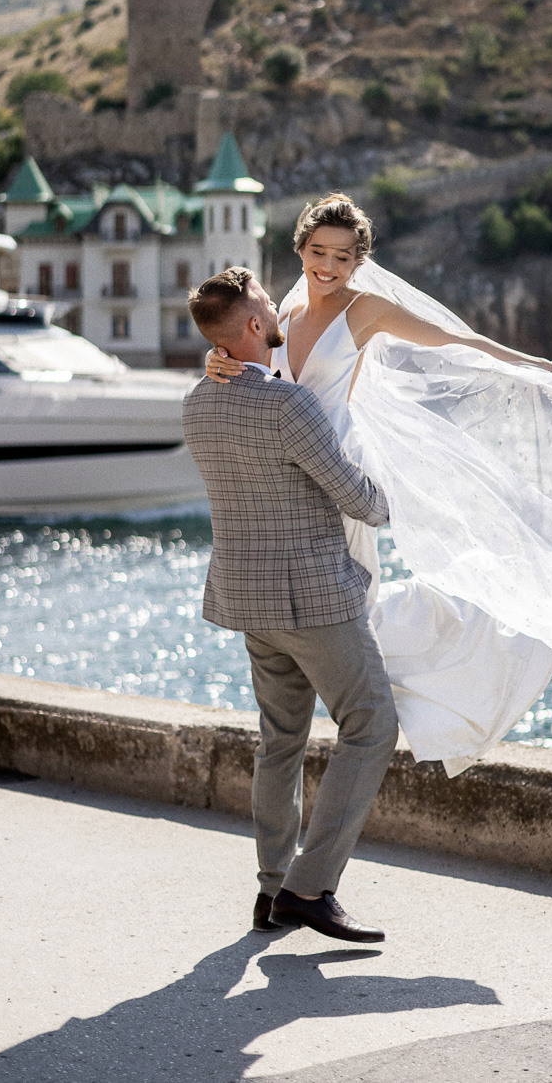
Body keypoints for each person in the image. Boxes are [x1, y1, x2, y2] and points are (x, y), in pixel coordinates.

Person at [205, 195, 552, 776]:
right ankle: (360, 698)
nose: (327, 266)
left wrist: (528, 364)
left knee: (352, 605)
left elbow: (453, 341)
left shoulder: (367, 309)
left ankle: (436, 695)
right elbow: (251, 354)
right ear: (301, 248)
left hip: (343, 475)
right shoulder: (286, 308)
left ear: (359, 261)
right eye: (318, 252)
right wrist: (216, 359)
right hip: (292, 476)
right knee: (335, 609)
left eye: (342, 257)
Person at [183, 267, 399, 944]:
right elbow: (360, 501)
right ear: (254, 325)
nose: (280, 307)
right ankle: (309, 887)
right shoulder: (290, 405)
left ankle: (271, 888)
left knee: (280, 743)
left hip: (249, 602)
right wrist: (392, 487)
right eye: (268, 303)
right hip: (312, 600)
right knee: (372, 724)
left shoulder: (196, 403)